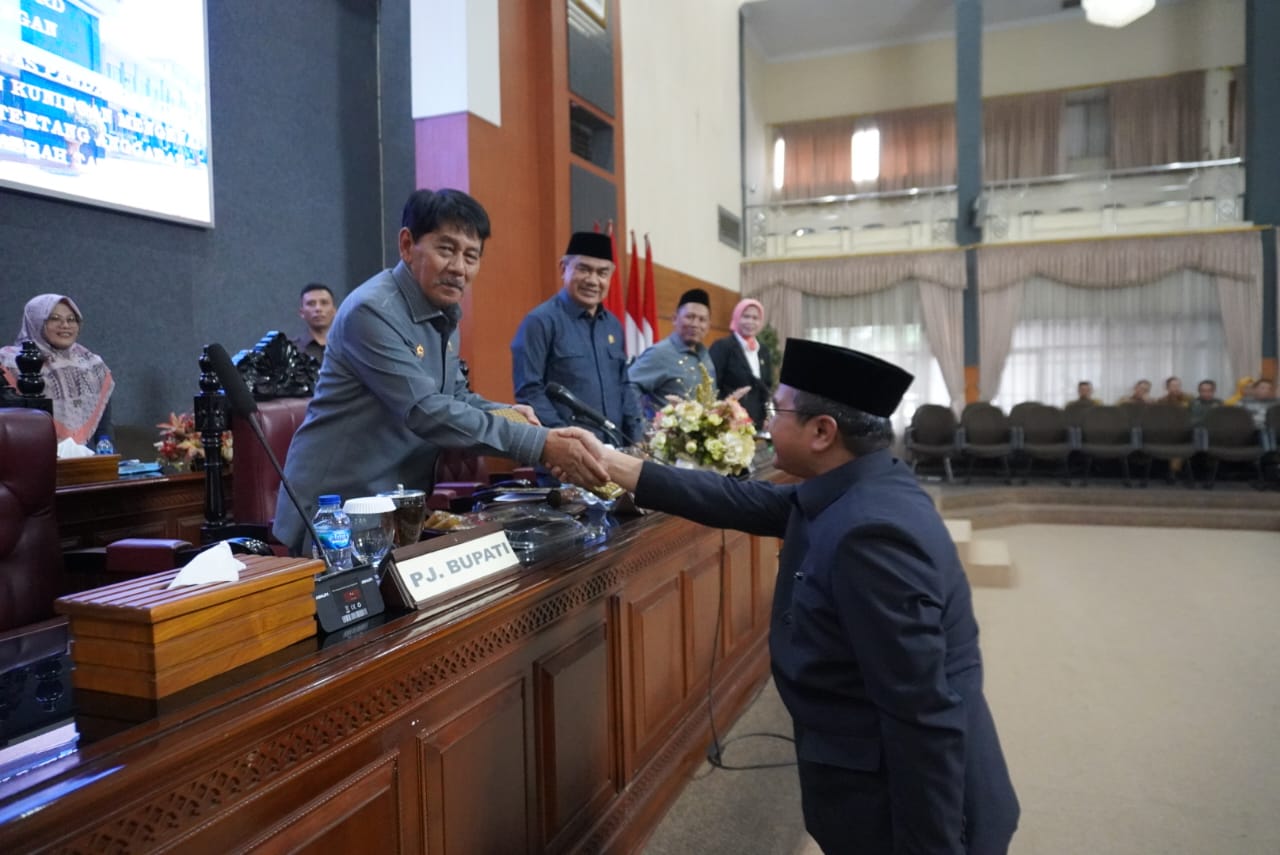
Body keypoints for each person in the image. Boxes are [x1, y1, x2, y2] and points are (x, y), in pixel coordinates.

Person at [589, 339, 1020, 854]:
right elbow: (746, 500)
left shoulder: (872, 536)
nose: (767, 423)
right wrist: (618, 467)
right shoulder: (860, 485)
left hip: (905, 809)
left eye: (776, 410)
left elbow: (921, 716)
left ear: (822, 432)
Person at [272, 189, 608, 555]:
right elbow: (425, 409)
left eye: (471, 256)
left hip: (394, 508)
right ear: (407, 244)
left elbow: (455, 396)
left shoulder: (441, 312)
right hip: (337, 511)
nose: (459, 268)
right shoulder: (372, 311)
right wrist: (540, 445)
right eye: (446, 249)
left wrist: (506, 414)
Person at [510, 232, 643, 445]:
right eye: (583, 269)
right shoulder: (540, 321)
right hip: (565, 455)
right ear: (564, 268)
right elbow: (529, 391)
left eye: (602, 273)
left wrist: (636, 436)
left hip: (616, 452)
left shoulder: (613, 325)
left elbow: (624, 384)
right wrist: (567, 438)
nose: (593, 280)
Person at [0, 294, 114, 447]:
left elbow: (104, 427)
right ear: (36, 322)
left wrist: (107, 454)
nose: (65, 325)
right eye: (54, 318)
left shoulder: (92, 365)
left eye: (71, 319)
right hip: (29, 456)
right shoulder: (10, 363)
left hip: (86, 462)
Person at [627, 288, 715, 415]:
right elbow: (629, 385)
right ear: (674, 318)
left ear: (708, 325)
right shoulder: (659, 353)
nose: (695, 324)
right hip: (667, 434)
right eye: (690, 317)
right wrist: (642, 424)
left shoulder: (705, 355)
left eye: (702, 320)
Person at [709, 298, 774, 429]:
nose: (750, 322)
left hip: (757, 423)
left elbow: (766, 386)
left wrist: (768, 416)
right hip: (731, 422)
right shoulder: (722, 346)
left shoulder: (763, 350)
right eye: (746, 316)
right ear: (737, 318)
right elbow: (713, 386)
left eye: (755, 318)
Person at [292, 283, 337, 362]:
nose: (318, 309)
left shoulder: (348, 348)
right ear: (302, 313)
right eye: (311, 304)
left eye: (324, 303)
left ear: (334, 311)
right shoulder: (292, 350)